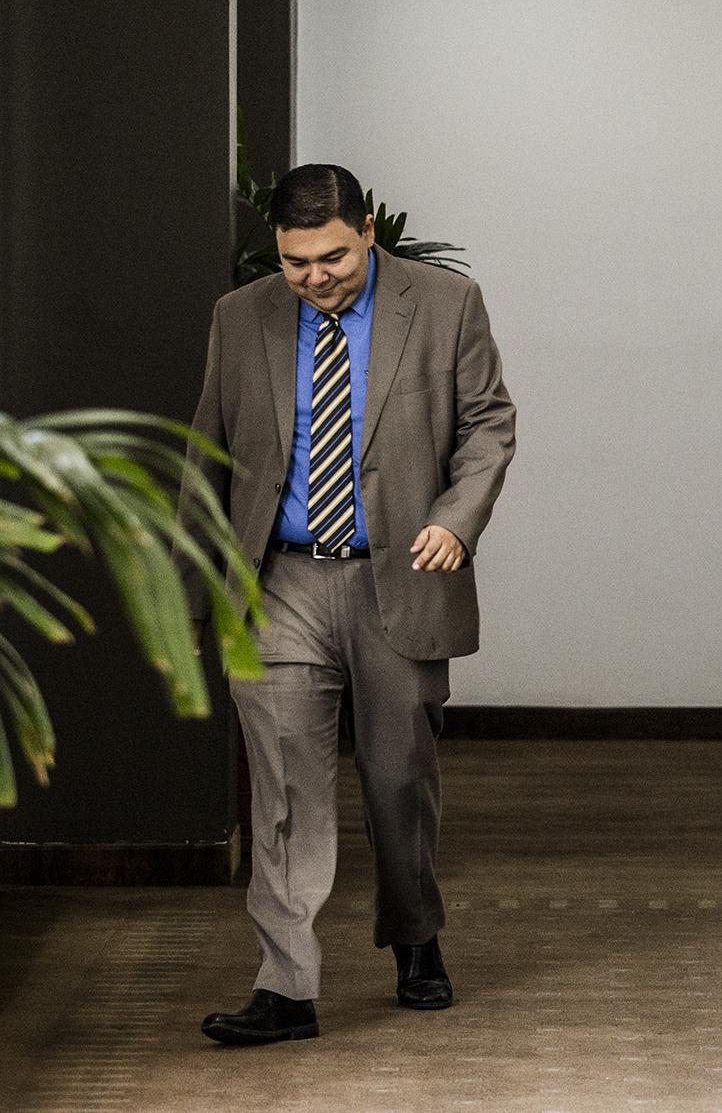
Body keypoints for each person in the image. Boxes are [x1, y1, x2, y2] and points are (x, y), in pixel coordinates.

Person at [186, 164, 516, 1045]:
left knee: (397, 778)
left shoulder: (445, 304)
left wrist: (456, 518)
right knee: (287, 787)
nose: (314, 278)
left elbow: (489, 423)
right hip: (280, 580)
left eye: (331, 257)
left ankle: (414, 934)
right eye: (296, 264)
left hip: (399, 573)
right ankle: (287, 986)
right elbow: (206, 455)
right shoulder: (240, 315)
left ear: (367, 230)